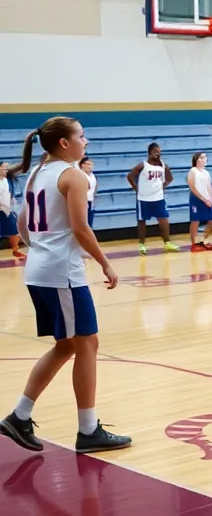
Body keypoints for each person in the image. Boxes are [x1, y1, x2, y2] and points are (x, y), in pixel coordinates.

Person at [0, 117, 131, 455]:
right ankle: (88, 430)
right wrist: (104, 261)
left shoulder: (35, 173)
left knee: (68, 346)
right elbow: (80, 229)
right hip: (62, 274)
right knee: (86, 344)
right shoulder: (73, 175)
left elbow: (22, 224)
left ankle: (20, 415)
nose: (85, 142)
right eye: (81, 136)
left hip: (41, 270)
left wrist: (41, 248)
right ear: (64, 143)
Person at [127, 142, 179, 255]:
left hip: (158, 198)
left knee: (163, 219)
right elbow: (130, 176)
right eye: (155, 151)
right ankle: (141, 244)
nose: (157, 154)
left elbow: (170, 178)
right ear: (149, 152)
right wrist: (136, 189)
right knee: (142, 221)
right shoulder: (143, 165)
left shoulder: (163, 165)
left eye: (159, 152)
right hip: (143, 198)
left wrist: (163, 186)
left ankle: (167, 243)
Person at [187, 152, 212, 250]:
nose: (205, 158)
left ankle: (202, 240)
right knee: (195, 220)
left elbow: (209, 186)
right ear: (198, 159)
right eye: (203, 157)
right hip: (196, 198)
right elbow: (192, 187)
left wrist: (210, 198)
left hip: (207, 199)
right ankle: (194, 244)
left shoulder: (206, 172)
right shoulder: (193, 171)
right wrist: (202, 198)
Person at [0, 161, 23, 259]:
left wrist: (11, 199)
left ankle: (15, 250)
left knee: (14, 230)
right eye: (4, 167)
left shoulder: (7, 180)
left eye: (7, 167)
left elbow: (9, 192)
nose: (6, 168)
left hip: (6, 209)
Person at [80, 156, 97, 229]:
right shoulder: (80, 175)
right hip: (83, 201)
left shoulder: (92, 175)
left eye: (91, 164)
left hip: (90, 201)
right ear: (82, 165)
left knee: (89, 223)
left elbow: (95, 187)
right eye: (88, 164)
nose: (90, 166)